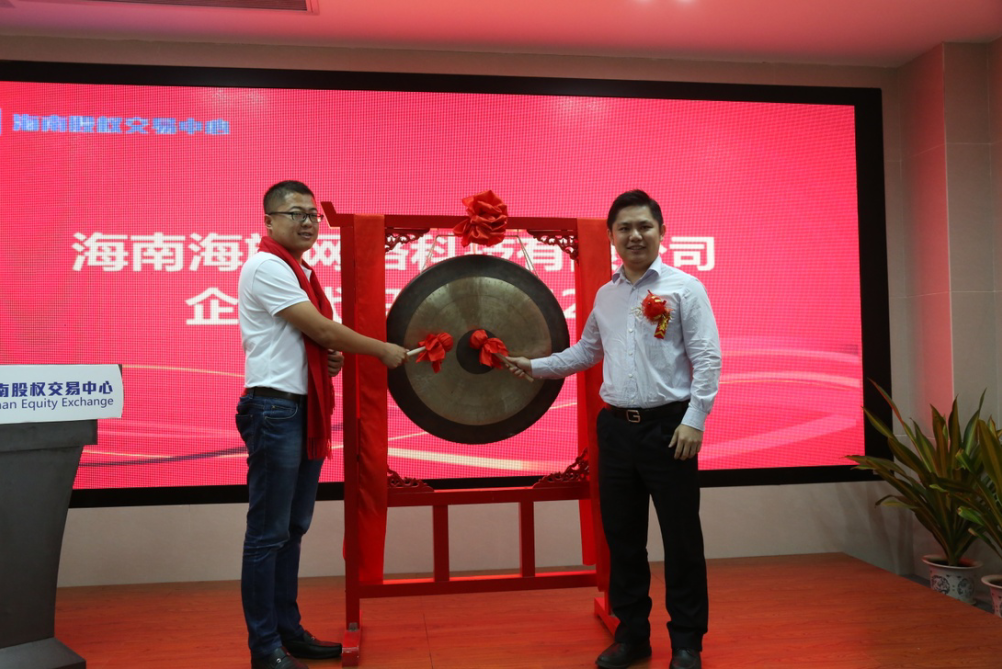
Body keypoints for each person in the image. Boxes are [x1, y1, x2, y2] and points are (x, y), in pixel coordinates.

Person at [508, 189, 721, 669]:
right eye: (624, 228)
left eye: (644, 226)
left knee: (682, 541)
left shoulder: (685, 288)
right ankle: (632, 636)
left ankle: (687, 642)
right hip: (617, 432)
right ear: (611, 236)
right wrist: (534, 366)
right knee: (624, 541)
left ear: (662, 232)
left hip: (670, 430)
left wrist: (694, 420)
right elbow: (587, 351)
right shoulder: (606, 294)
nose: (635, 236)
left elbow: (707, 359)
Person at [236, 180, 408, 669]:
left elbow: (311, 340)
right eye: (296, 213)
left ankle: (288, 633)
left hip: (299, 409)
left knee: (292, 529)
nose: (308, 222)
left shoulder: (301, 271)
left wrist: (328, 359)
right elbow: (320, 328)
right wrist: (380, 350)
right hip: (275, 411)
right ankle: (264, 647)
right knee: (267, 534)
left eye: (313, 214)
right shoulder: (268, 266)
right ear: (269, 221)